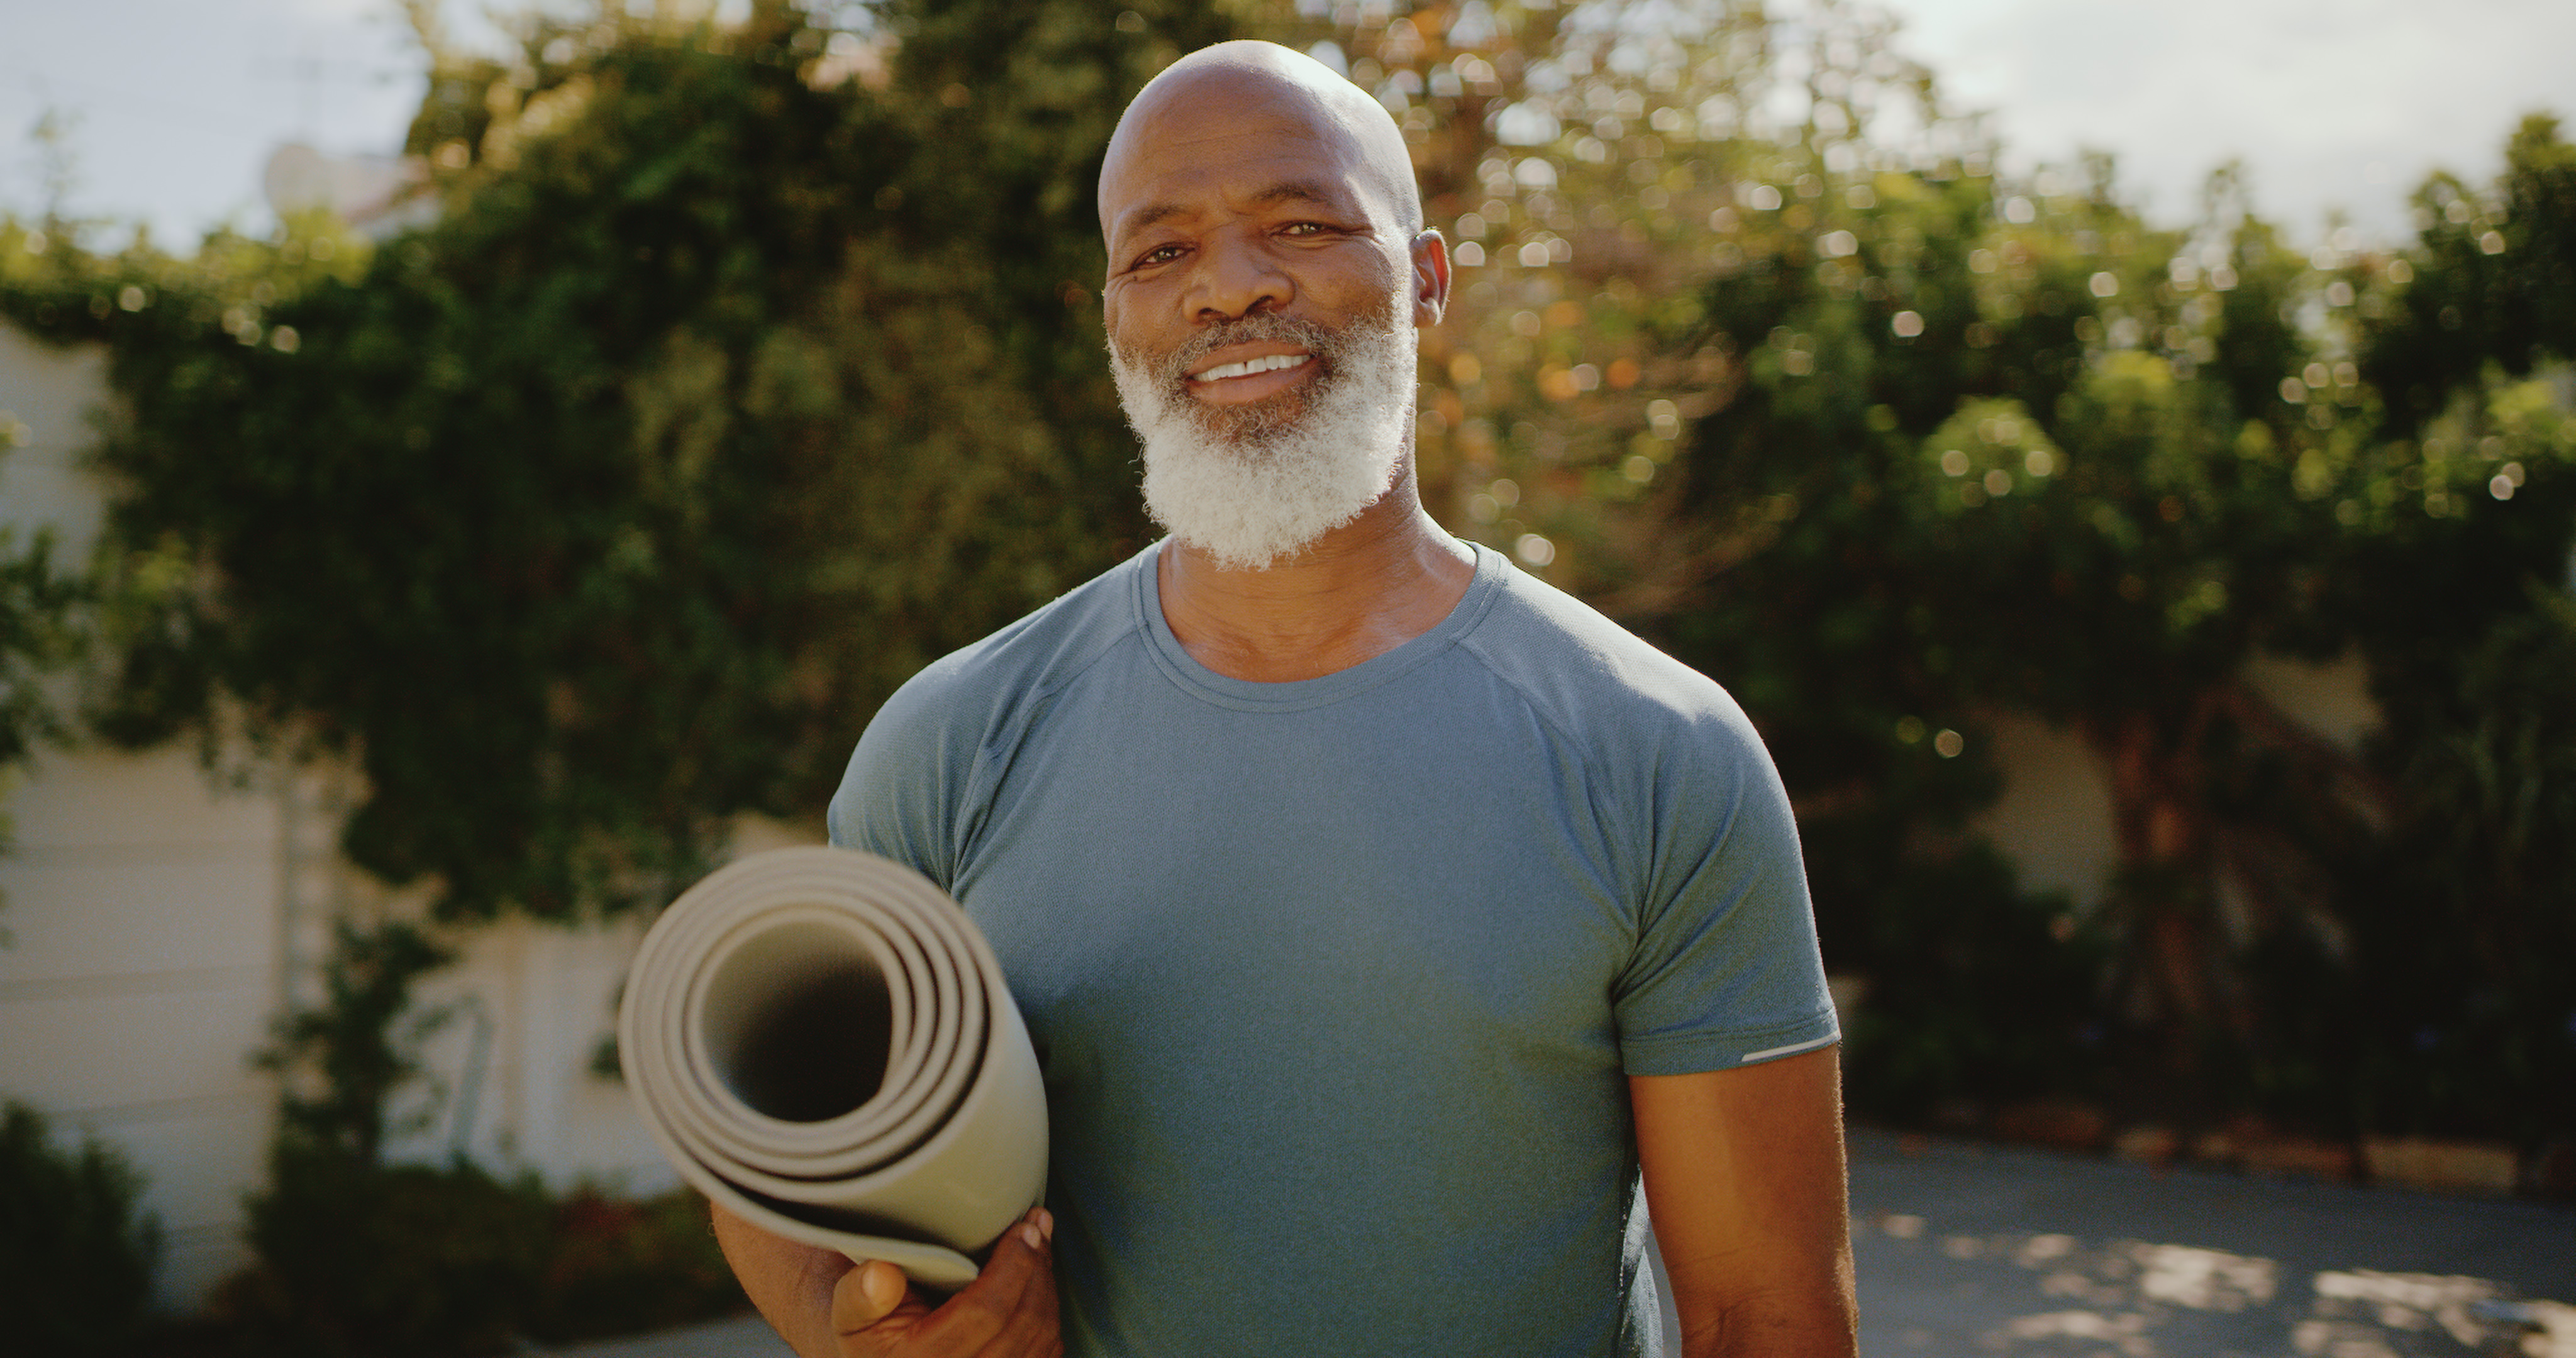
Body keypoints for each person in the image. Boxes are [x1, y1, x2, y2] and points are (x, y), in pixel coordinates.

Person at [713, 39, 1857, 1358]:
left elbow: (1760, 1314)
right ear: (1114, 324)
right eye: (1160, 254)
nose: (1229, 288)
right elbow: (775, 1147)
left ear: (1425, 280)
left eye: (1300, 224)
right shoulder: (951, 741)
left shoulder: (1658, 749)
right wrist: (851, 1327)